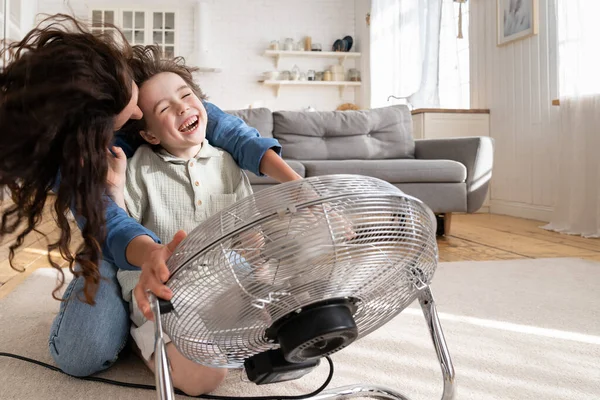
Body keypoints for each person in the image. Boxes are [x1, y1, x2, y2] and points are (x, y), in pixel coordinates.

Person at [0, 14, 301, 378]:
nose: (140, 109)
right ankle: (134, 323)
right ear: (98, 128)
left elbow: (228, 129)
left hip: (176, 261)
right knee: (82, 355)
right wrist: (149, 255)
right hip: (115, 245)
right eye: (135, 110)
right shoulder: (86, 158)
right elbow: (110, 223)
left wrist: (298, 188)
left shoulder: (155, 100)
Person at [107, 44, 262, 395]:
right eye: (164, 108)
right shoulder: (139, 167)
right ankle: (144, 340)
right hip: (164, 294)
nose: (181, 107)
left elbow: (249, 241)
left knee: (281, 334)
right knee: (206, 378)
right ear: (148, 134)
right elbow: (119, 229)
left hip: (223, 287)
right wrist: (116, 186)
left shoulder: (228, 163)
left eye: (186, 95)